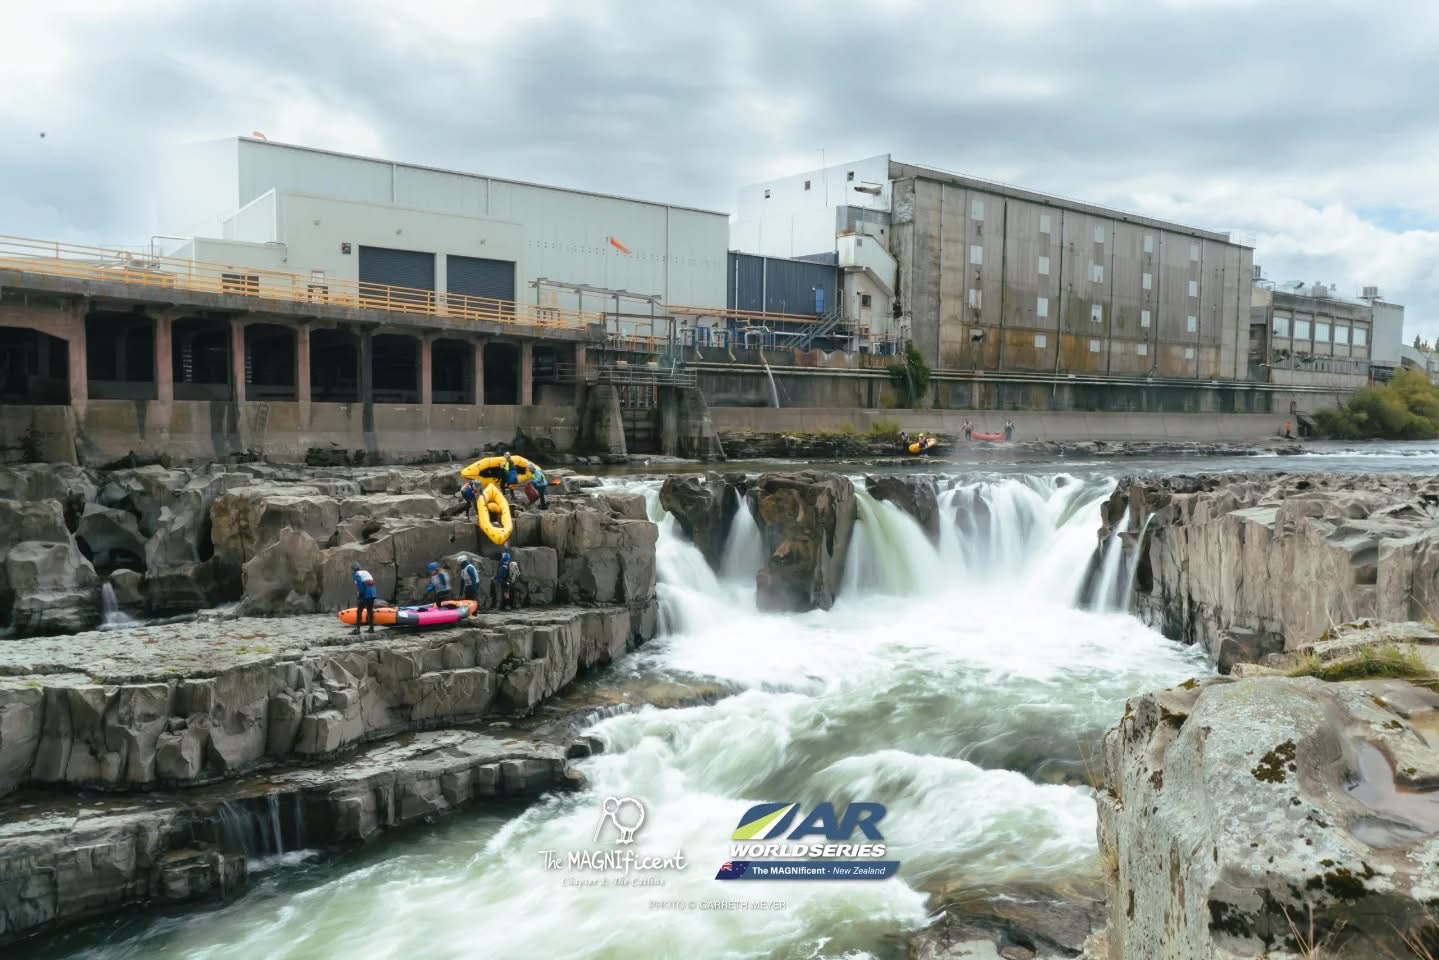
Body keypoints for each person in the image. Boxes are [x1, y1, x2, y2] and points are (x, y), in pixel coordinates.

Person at [351, 561, 377, 635]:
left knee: (359, 611)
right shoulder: (365, 572)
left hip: (366, 593)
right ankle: (371, 628)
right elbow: (371, 582)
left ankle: (357, 629)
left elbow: (360, 585)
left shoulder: (356, 574)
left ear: (353, 569)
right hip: (373, 593)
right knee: (369, 610)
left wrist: (360, 595)